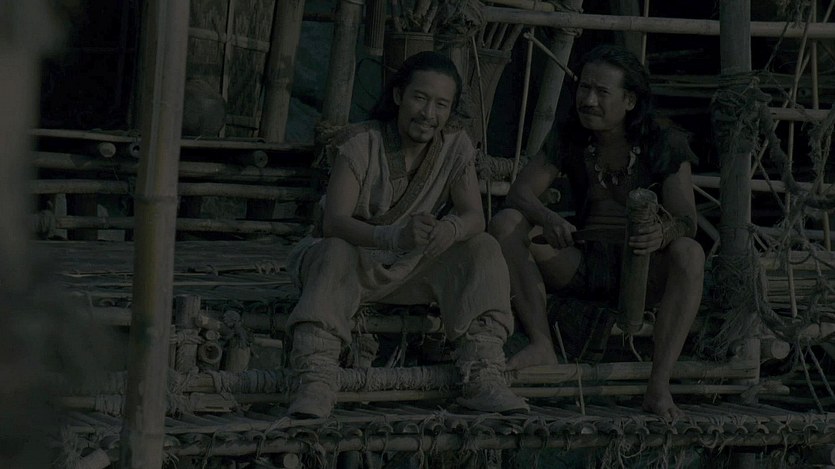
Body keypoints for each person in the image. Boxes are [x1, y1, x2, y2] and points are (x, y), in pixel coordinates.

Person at [284, 51, 528, 419]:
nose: (428, 113)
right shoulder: (360, 143)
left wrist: (451, 228)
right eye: (420, 98)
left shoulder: (456, 147)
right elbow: (334, 222)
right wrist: (393, 237)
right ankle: (316, 380)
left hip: (410, 268)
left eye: (441, 105)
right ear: (399, 96)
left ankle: (483, 375)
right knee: (335, 250)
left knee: (483, 247)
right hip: (349, 267)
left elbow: (474, 216)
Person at [488, 44, 704, 420]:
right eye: (584, 88)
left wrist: (662, 233)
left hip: (644, 271)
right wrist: (548, 218)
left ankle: (658, 386)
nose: (588, 100)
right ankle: (542, 343)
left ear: (630, 100)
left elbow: (688, 220)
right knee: (506, 223)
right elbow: (520, 192)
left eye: (602, 92)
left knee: (690, 252)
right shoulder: (571, 134)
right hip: (583, 264)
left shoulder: (663, 141)